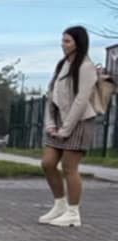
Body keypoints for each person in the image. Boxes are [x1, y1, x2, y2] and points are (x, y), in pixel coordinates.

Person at [39, 25, 102, 229]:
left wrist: (66, 129)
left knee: (68, 167)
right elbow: (52, 94)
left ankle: (73, 213)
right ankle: (59, 205)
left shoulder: (86, 67)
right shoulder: (62, 64)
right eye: (62, 40)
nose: (63, 44)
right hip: (58, 121)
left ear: (78, 43)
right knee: (48, 163)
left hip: (79, 122)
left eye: (67, 41)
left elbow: (80, 101)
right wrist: (50, 123)